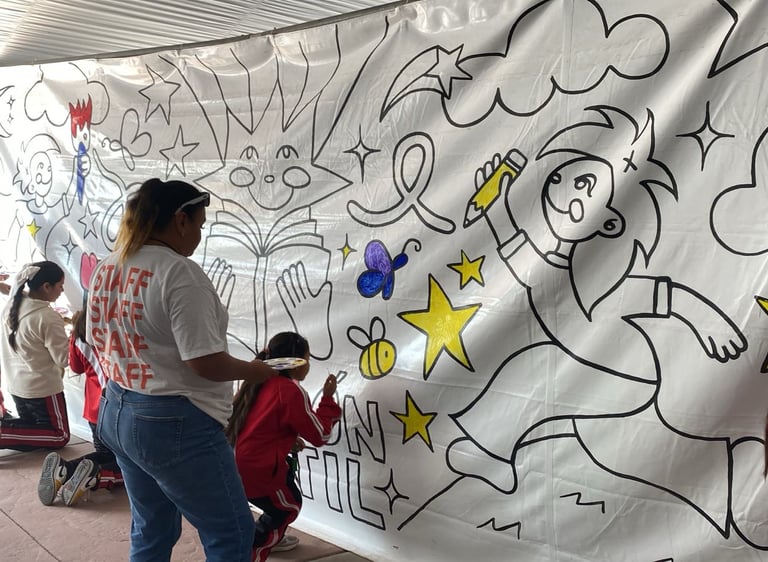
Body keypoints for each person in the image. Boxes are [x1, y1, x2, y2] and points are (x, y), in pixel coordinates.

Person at [89, 178, 277, 562]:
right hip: (171, 423)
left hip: (117, 407)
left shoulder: (110, 264)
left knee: (152, 527)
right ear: (180, 221)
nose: (199, 235)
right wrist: (257, 371)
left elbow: (98, 337)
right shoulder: (180, 273)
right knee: (231, 531)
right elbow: (204, 361)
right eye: (200, 225)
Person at [226, 332, 341, 562]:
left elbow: (259, 422)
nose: (308, 365)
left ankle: (267, 537)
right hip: (256, 470)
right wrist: (328, 399)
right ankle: (255, 547)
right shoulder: (290, 391)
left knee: (278, 504)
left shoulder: (258, 380)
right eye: (307, 359)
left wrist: (288, 438)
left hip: (232, 463)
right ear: (295, 362)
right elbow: (320, 435)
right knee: (288, 506)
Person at [38, 309, 124, 506]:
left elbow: (76, 368)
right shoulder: (117, 335)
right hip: (116, 407)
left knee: (105, 453)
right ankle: (95, 477)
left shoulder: (77, 338)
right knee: (137, 467)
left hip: (94, 410)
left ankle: (65, 468)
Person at [0, 261, 70, 451]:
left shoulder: (13, 303)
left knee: (31, 434)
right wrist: (74, 338)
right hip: (42, 390)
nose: (62, 291)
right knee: (60, 436)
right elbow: (64, 360)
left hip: (16, 387)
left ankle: (5, 430)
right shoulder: (47, 317)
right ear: (46, 287)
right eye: (60, 286)